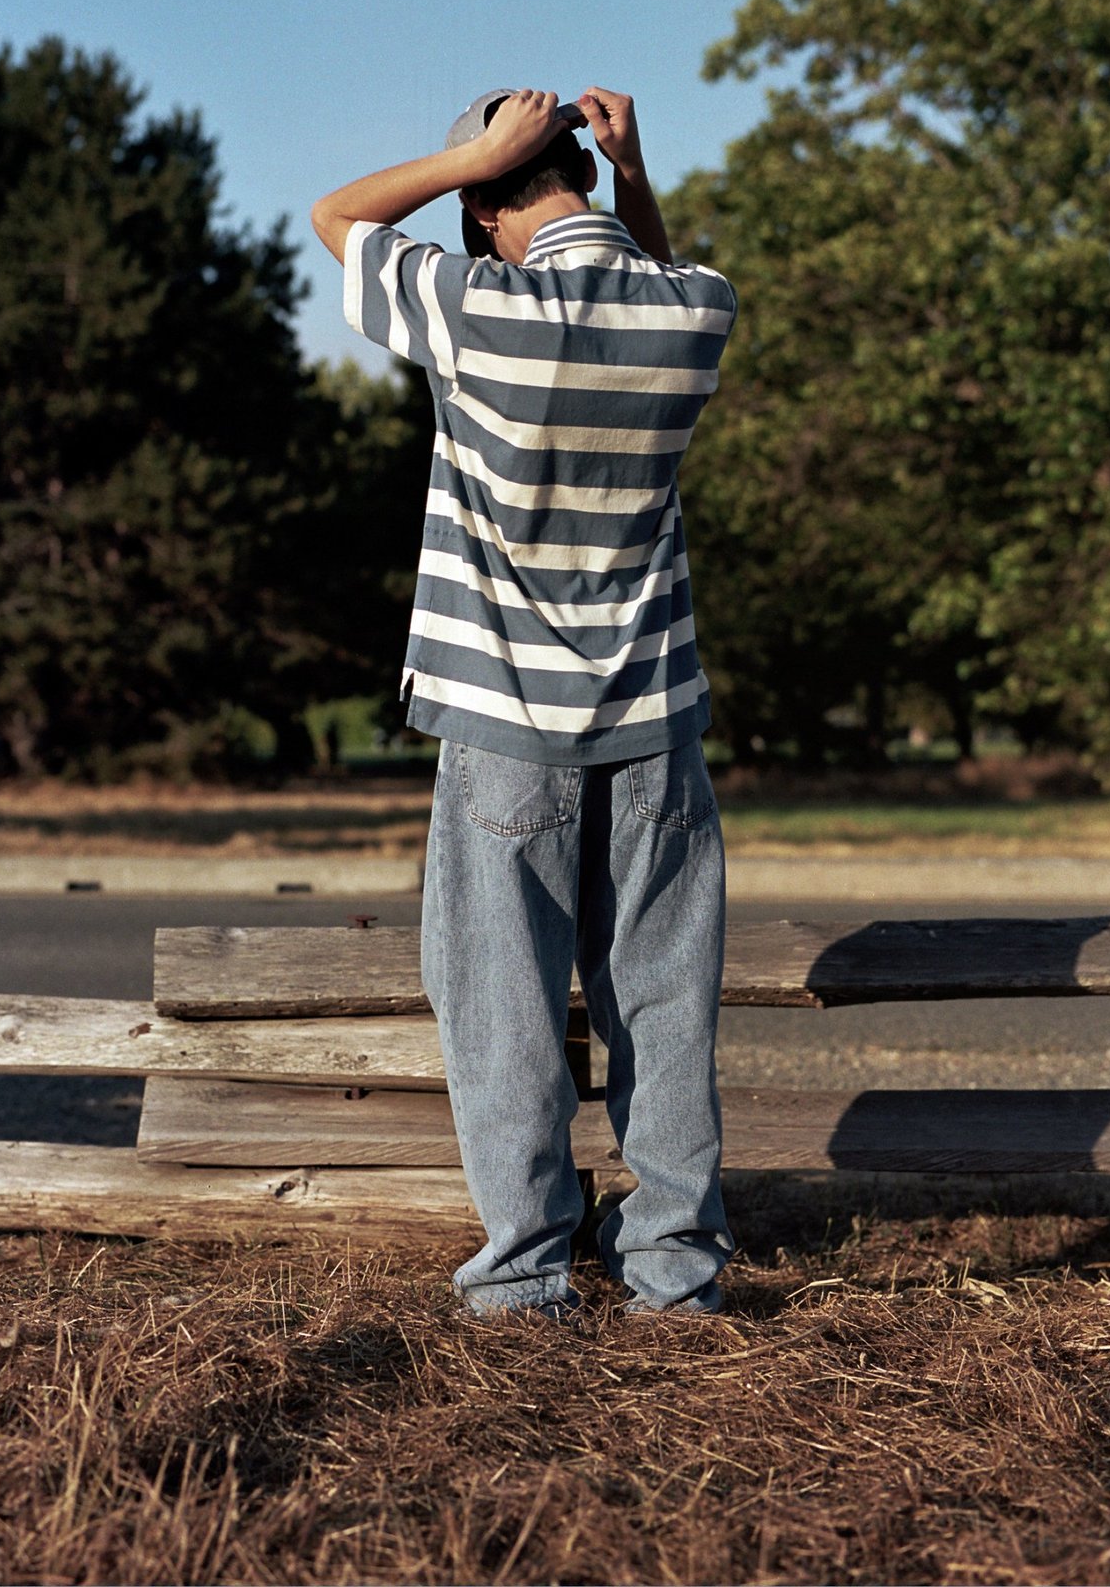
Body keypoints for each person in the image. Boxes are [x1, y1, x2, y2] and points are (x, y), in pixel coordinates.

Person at [311, 86, 738, 1320]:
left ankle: (524, 1277)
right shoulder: (694, 309)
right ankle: (673, 1274)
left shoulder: (476, 308)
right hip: (654, 724)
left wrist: (472, 160)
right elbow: (657, 268)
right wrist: (630, 171)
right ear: (590, 183)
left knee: (503, 1007)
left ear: (483, 209)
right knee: (663, 1003)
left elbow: (338, 216)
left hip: (504, 725)